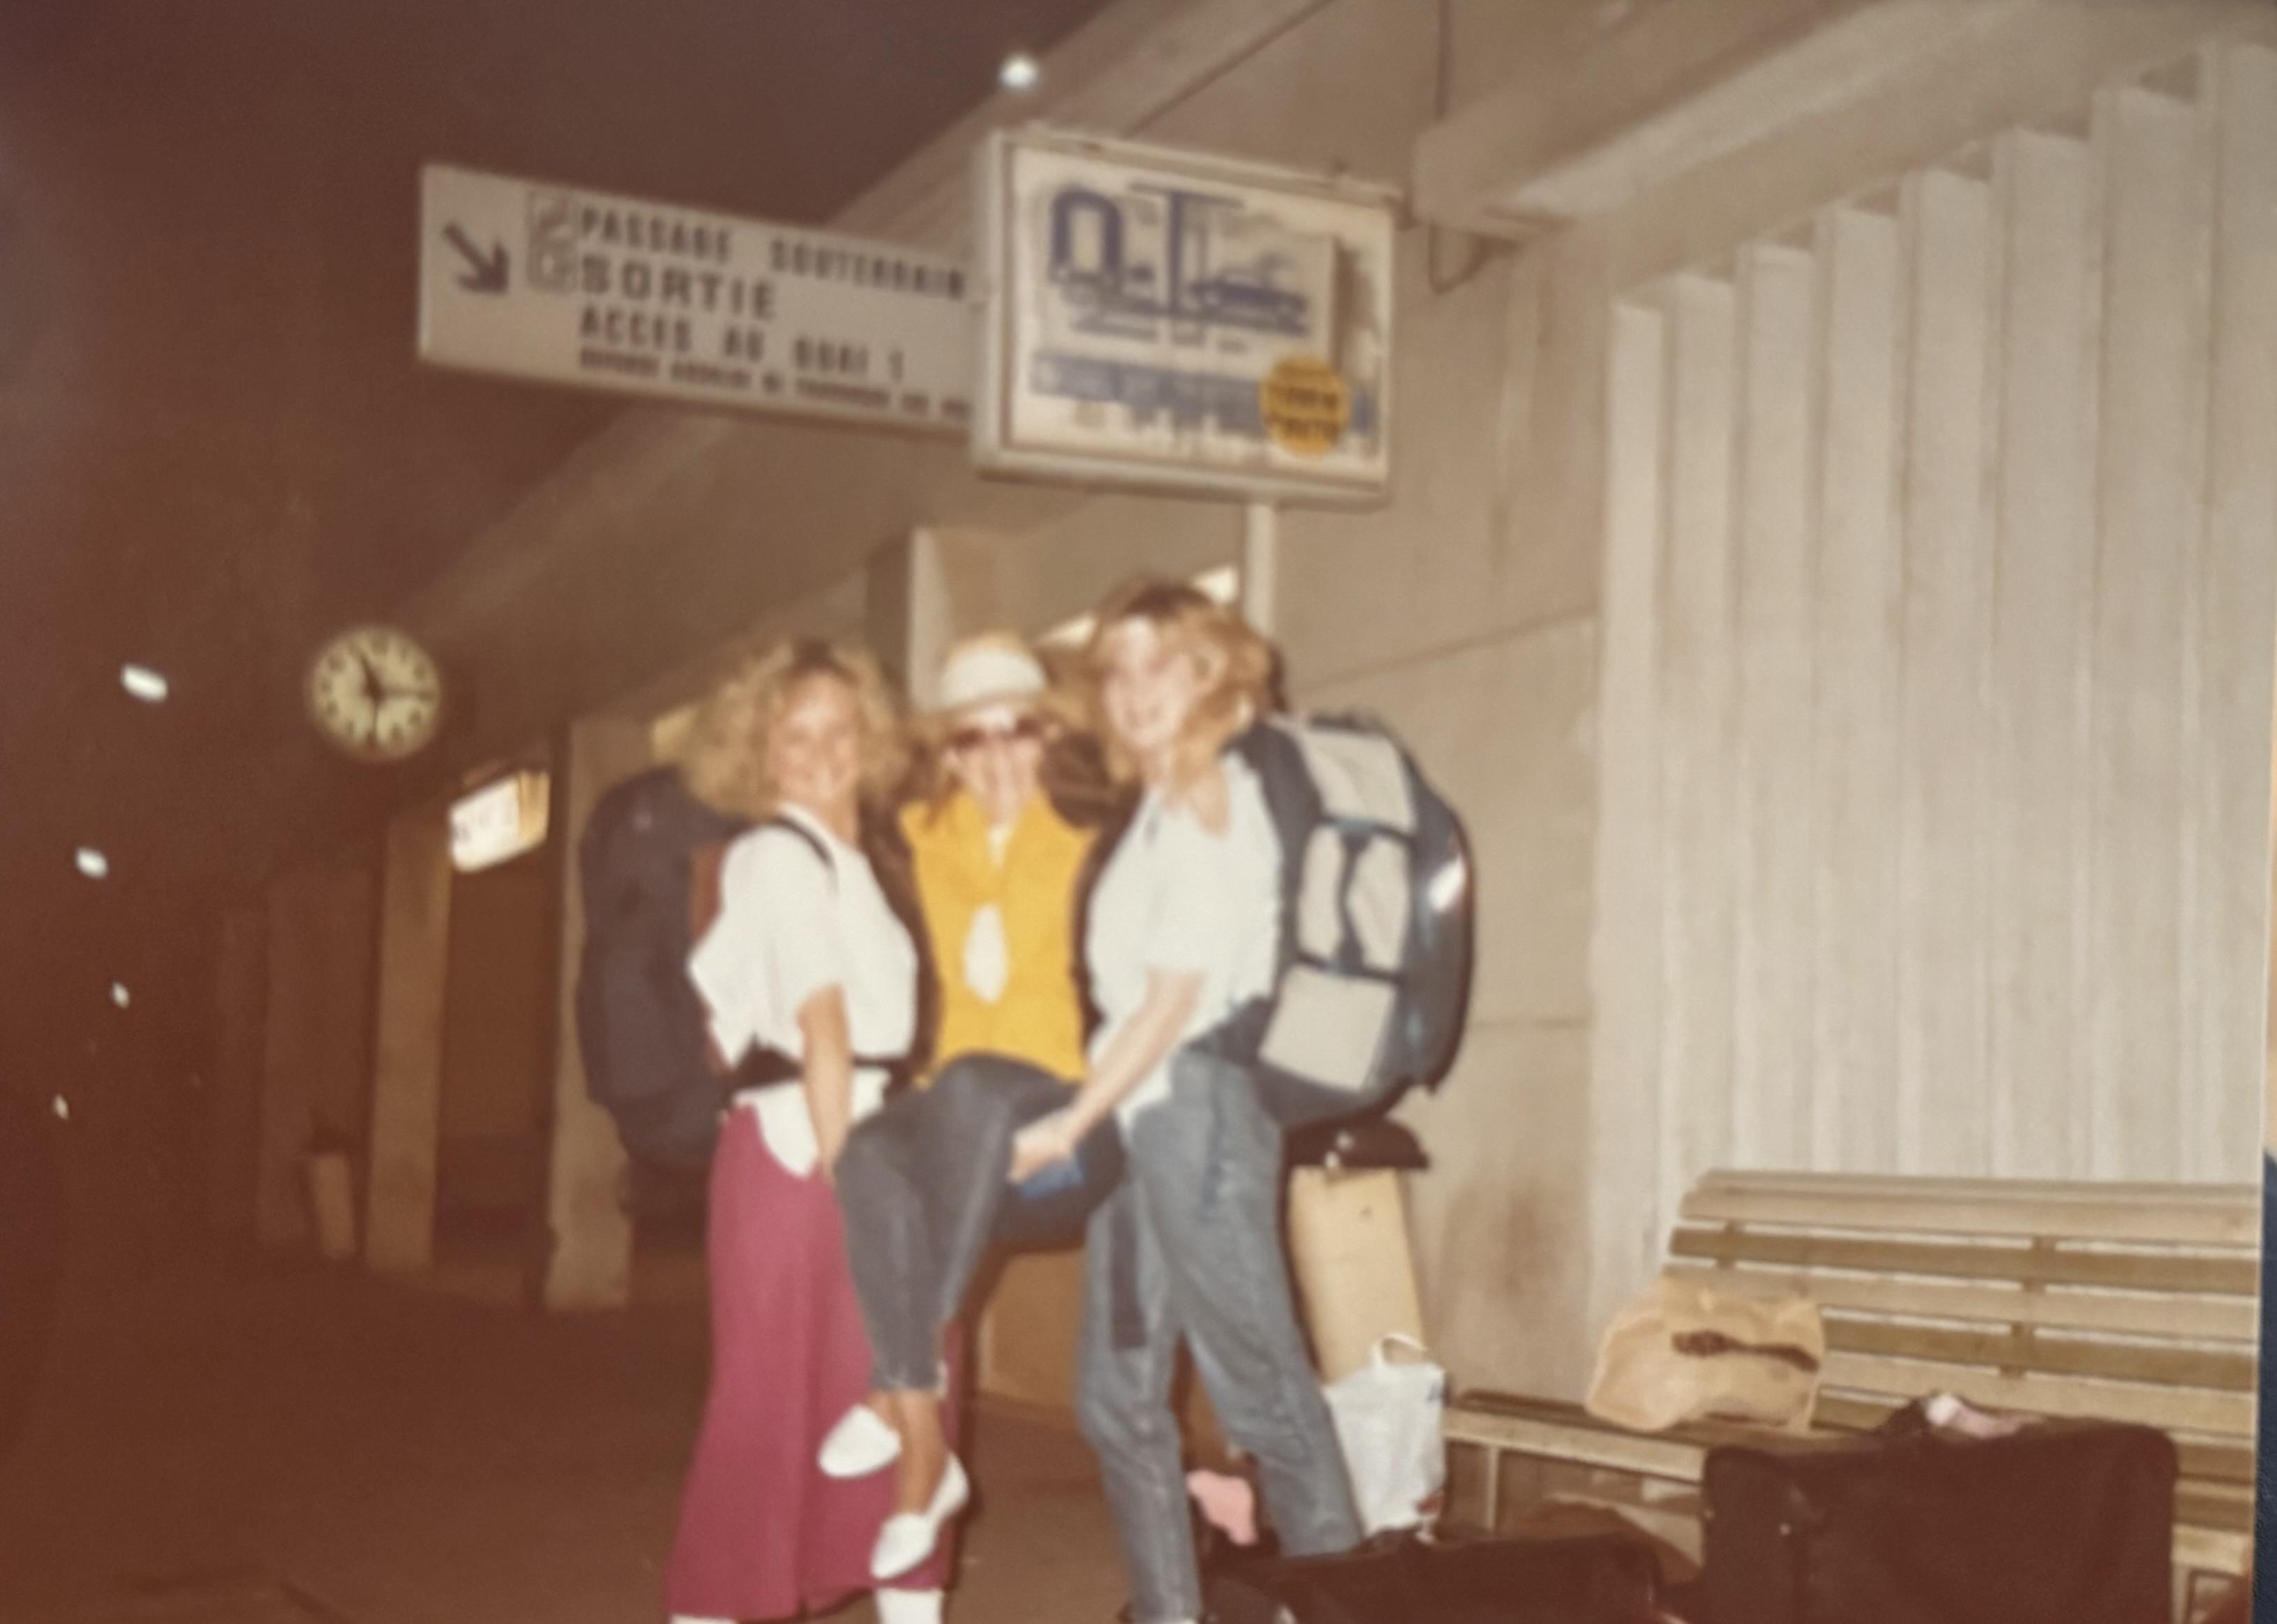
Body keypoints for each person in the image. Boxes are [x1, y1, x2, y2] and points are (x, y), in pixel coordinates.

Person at [1009, 577, 1362, 1624]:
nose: (1131, 689)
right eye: (1115, 668)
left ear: (1212, 671)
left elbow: (1169, 1001)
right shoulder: (1160, 804)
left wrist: (1066, 1124)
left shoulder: (1215, 795)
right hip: (1144, 1120)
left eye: (1158, 663)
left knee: (1263, 1394)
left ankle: (1345, 1606)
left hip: (1196, 1115)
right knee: (1116, 1396)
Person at [663, 637, 957, 1624]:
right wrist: (855, 1189)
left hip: (865, 1135)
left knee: (897, 1390)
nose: (825, 750)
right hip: (810, 1150)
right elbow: (821, 1028)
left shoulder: (858, 862)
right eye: (798, 734)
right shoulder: (772, 857)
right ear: (763, 753)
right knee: (768, 1402)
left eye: (842, 728)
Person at [825, 632, 1126, 1582]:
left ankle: (896, 1391)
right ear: (943, 749)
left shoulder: (1097, 831)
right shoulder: (911, 837)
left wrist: (1073, 1121)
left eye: (1018, 731)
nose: (997, 755)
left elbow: (1144, 980)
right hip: (950, 1084)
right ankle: (923, 1438)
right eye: (972, 738)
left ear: (1050, 734)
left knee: (969, 1087)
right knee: (869, 1151)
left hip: (1067, 1084)